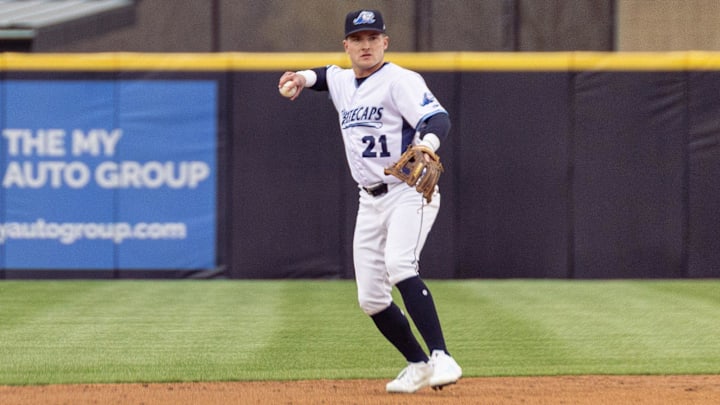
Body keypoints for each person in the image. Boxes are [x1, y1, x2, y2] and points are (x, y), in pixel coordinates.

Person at [277, 9, 461, 394]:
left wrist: (426, 145)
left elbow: (438, 118)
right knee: (371, 298)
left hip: (407, 192)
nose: (366, 45)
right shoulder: (344, 81)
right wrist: (300, 77)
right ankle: (418, 364)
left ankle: (443, 355)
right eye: (358, 39)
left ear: (385, 42)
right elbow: (325, 75)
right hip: (370, 200)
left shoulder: (401, 81)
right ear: (347, 45)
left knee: (399, 264)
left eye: (373, 38)